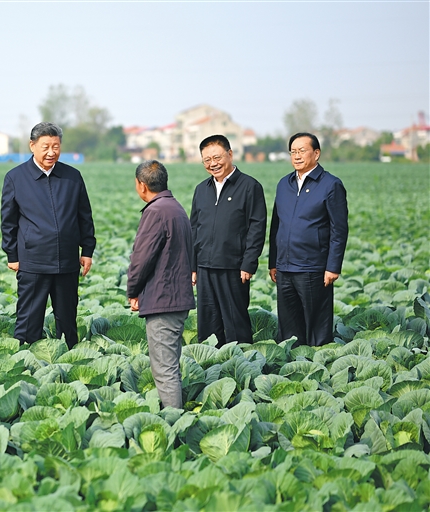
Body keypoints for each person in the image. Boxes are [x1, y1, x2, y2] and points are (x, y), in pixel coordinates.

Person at [0, 122, 96, 348]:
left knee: (67, 319)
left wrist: (87, 250)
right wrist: (12, 255)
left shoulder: (72, 176)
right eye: (45, 147)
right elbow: (8, 221)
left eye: (56, 146)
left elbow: (84, 216)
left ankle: (69, 357)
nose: (51, 152)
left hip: (67, 260)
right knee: (28, 320)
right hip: (33, 261)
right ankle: (26, 358)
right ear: (32, 146)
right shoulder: (16, 177)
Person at [269, 132, 348, 346]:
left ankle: (319, 359)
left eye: (302, 151)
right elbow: (276, 225)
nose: (297, 156)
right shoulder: (284, 184)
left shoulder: (331, 185)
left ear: (316, 153)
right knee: (288, 326)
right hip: (285, 267)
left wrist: (333, 267)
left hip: (313, 267)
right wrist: (273, 262)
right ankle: (291, 360)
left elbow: (339, 229)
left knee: (316, 326)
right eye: (293, 152)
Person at [127, 160, 195, 409]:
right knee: (171, 366)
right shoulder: (175, 207)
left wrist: (133, 291)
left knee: (164, 370)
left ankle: (174, 422)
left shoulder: (155, 211)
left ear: (141, 185)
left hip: (162, 300)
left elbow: (141, 258)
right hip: (177, 298)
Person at [190, 135, 266, 347]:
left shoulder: (250, 186)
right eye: (207, 160)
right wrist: (192, 264)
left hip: (234, 266)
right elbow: (194, 228)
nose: (212, 164)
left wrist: (248, 262)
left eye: (217, 157)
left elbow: (257, 228)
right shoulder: (201, 189)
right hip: (204, 266)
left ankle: (240, 360)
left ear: (230, 154)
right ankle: (210, 361)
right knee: (207, 321)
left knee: (235, 321)